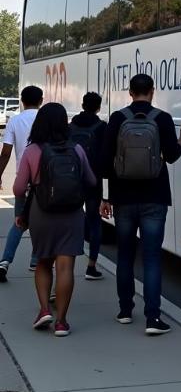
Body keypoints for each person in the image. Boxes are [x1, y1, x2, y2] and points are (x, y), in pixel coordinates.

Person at [101, 74, 181, 335]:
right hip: (155, 197)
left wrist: (106, 197)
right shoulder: (162, 119)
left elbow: (105, 161)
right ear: (152, 92)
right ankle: (153, 318)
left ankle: (124, 311)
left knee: (125, 256)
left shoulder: (118, 119)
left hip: (123, 198)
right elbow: (172, 157)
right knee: (152, 258)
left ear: (130, 92)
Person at [13, 103, 96, 336]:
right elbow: (90, 180)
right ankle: (62, 321)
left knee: (43, 262)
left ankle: (43, 310)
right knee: (65, 266)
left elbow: (18, 189)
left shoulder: (32, 151)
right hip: (72, 214)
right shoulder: (76, 149)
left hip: (42, 212)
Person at [0, 85, 43, 281]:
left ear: (21, 101)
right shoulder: (46, 119)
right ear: (41, 100)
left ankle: (4, 262)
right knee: (41, 222)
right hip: (44, 181)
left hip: (22, 180)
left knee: (19, 221)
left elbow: (6, 153)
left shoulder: (15, 120)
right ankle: (36, 260)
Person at [69, 92, 107, 280]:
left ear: (82, 105)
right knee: (94, 221)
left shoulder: (71, 126)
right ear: (99, 107)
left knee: (72, 220)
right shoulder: (102, 127)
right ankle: (91, 266)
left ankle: (66, 265)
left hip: (72, 180)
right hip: (94, 181)